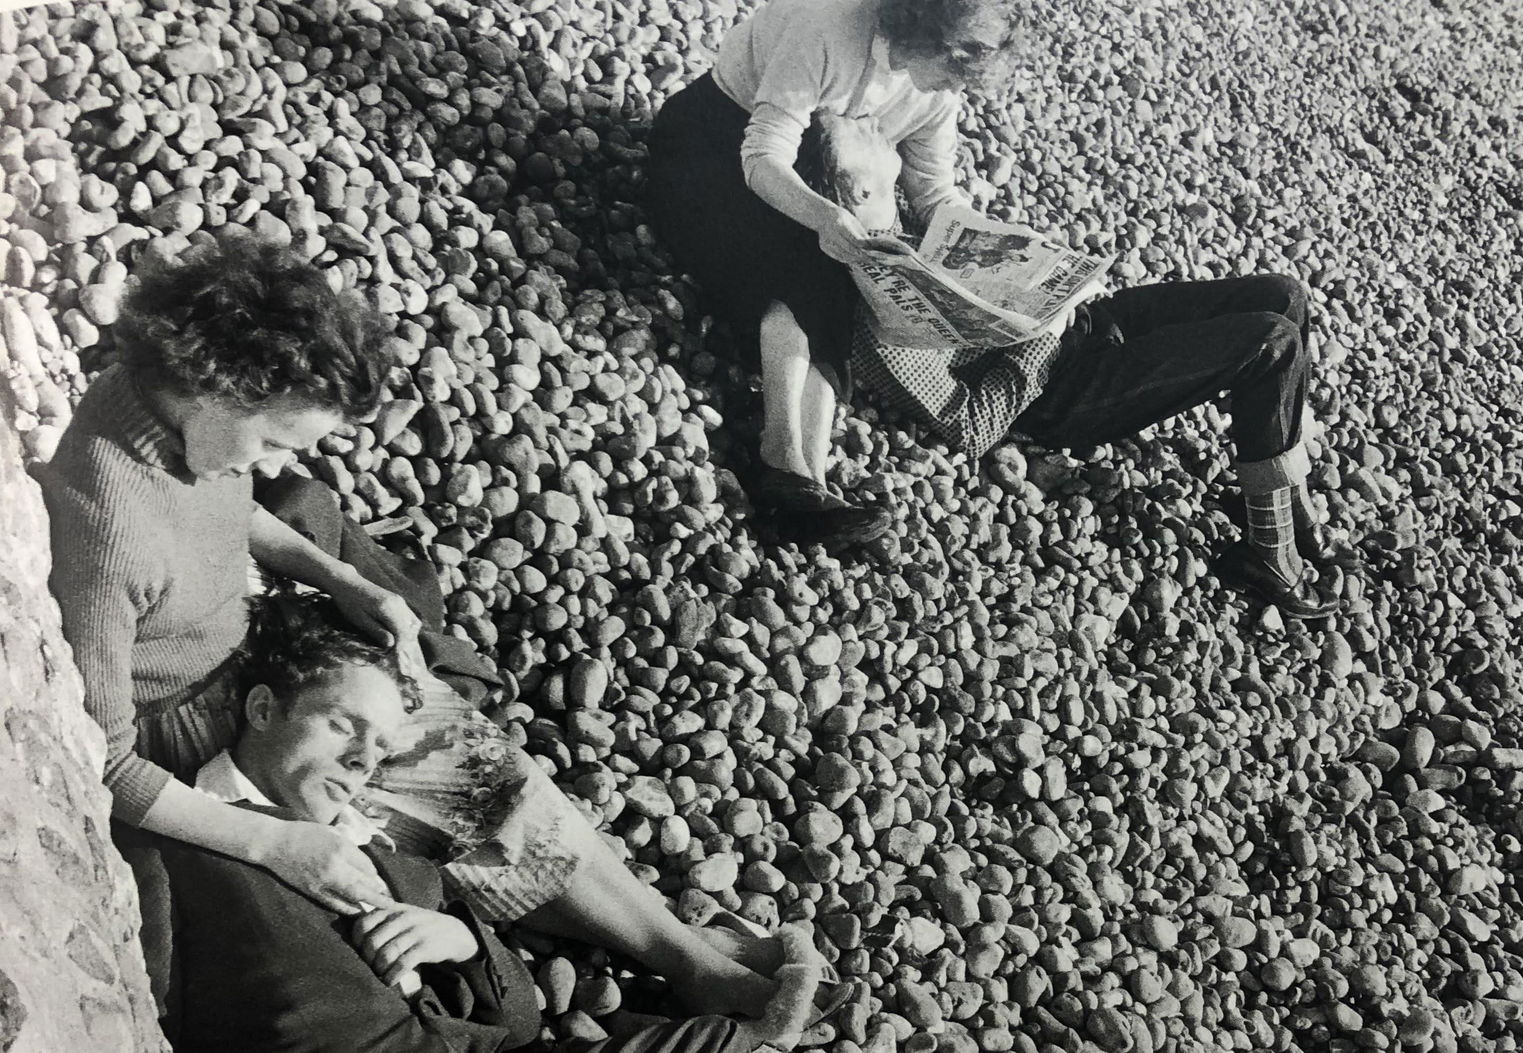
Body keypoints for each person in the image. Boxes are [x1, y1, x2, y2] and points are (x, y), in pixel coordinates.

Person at [36, 232, 814, 1020]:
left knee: (468, 762)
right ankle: (677, 956)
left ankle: (677, 946)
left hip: (247, 656)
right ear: (217, 383)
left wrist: (340, 577)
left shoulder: (167, 409)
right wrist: (271, 842)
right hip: (197, 730)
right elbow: (106, 763)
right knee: (421, 805)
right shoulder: (107, 526)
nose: (274, 468)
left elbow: (223, 513)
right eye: (274, 440)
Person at [158, 594, 820, 1053]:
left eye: (372, 748)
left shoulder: (388, 855)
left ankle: (684, 952)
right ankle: (687, 957)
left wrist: (463, 942)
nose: (361, 758)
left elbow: (520, 1017)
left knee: (476, 790)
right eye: (345, 732)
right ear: (264, 709)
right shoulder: (202, 851)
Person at [814, 118, 1343, 618]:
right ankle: (1270, 553)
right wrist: (1042, 336)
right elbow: (972, 425)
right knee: (1272, 343)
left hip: (1090, 322)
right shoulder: (873, 312)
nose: (870, 121)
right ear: (857, 192)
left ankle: (1285, 502)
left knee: (1284, 295)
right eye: (854, 127)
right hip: (1061, 391)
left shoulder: (909, 223)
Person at [648, 0, 1022, 547]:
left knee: (841, 272)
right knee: (802, 259)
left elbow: (934, 190)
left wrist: (997, 255)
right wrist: (827, 218)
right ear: (923, 33)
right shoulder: (828, 25)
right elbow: (762, 153)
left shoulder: (938, 89)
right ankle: (782, 458)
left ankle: (808, 482)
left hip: (813, 168)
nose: (952, 89)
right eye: (950, 70)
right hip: (712, 144)